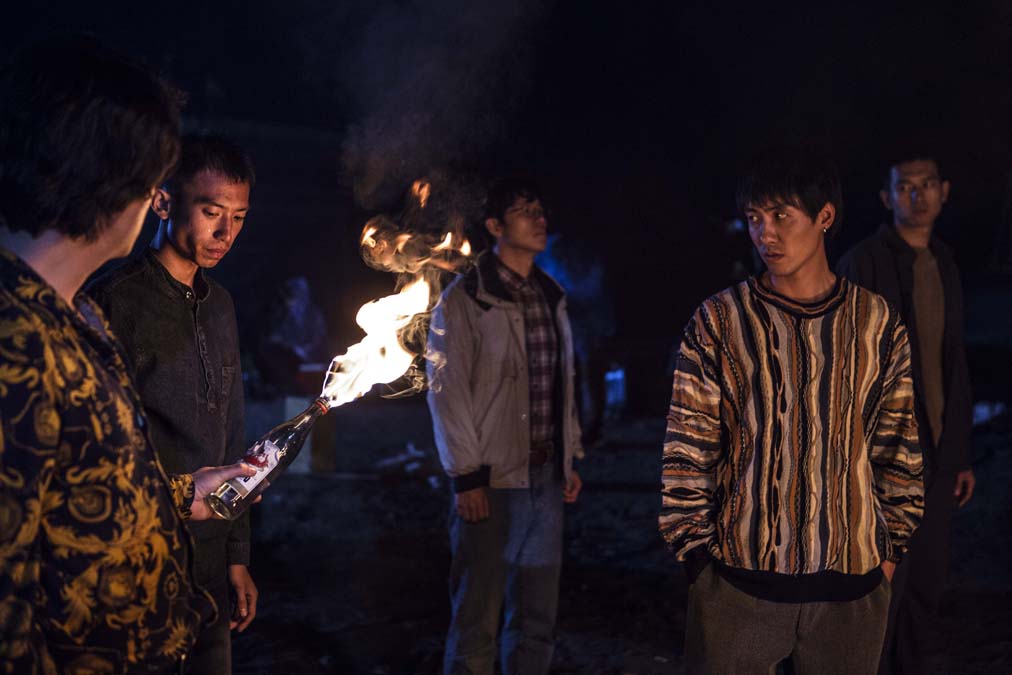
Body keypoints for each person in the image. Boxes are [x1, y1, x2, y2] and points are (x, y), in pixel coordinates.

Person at [0, 37, 255, 674]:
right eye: (153, 179)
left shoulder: (72, 317)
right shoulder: (19, 345)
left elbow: (84, 489)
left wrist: (185, 495)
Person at [659, 150, 925, 674]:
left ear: (824, 216)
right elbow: (687, 447)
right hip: (739, 584)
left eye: (782, 215)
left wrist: (889, 552)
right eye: (755, 218)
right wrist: (697, 560)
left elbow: (898, 445)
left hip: (851, 589)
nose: (766, 234)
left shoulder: (875, 322)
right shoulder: (720, 321)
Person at [89, 135, 257, 675]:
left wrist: (236, 556)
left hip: (208, 564)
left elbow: (233, 434)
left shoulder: (221, 306)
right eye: (211, 213)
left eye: (238, 217)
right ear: (164, 202)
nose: (225, 233)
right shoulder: (113, 301)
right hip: (137, 554)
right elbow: (95, 451)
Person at [427, 177, 584, 674]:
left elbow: (561, 380)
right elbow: (447, 393)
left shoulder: (549, 294)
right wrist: (466, 476)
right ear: (496, 226)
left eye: (540, 209)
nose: (539, 219)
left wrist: (569, 455)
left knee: (537, 614)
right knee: (478, 614)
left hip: (544, 475)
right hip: (490, 479)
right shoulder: (467, 299)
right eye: (524, 211)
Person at [837, 154, 975, 674]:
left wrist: (959, 455)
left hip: (937, 457)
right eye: (905, 187)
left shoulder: (944, 262)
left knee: (926, 585)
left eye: (927, 185)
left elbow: (952, 361)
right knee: (880, 588)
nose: (917, 196)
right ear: (886, 197)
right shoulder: (863, 262)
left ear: (944, 191)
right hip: (881, 458)